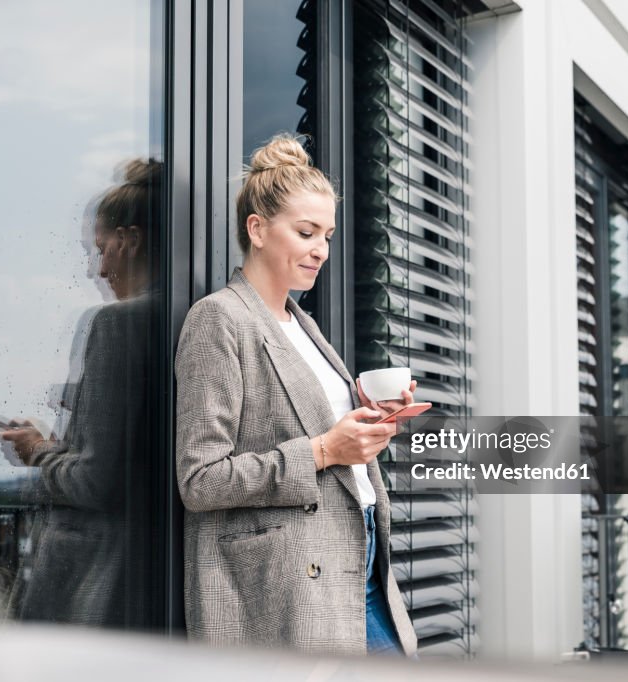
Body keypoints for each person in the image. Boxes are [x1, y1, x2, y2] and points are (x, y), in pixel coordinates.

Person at [175, 133, 418, 656]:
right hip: (290, 582)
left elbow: (324, 433)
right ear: (257, 229)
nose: (321, 250)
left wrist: (373, 419)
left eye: (327, 236)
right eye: (307, 232)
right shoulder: (219, 319)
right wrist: (326, 451)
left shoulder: (304, 326)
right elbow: (200, 480)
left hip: (360, 560)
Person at [0, 158, 162, 628]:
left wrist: (37, 451)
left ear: (130, 240)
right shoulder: (192, 315)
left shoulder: (119, 325)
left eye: (102, 249)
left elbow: (96, 482)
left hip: (100, 585)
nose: (96, 268)